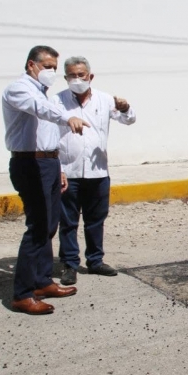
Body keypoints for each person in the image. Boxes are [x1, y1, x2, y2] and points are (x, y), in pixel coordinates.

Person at [3, 46, 89, 315]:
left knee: (50, 225)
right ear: (32, 65)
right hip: (30, 164)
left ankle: (41, 282)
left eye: (54, 67)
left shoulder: (42, 93)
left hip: (48, 163)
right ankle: (22, 294)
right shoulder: (19, 89)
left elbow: (47, 134)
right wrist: (68, 116)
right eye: (48, 66)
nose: (52, 71)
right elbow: (40, 110)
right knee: (38, 227)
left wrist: (58, 166)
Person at [53, 56, 136, 286]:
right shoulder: (57, 101)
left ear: (90, 76)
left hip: (97, 171)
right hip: (68, 172)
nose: (77, 79)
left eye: (81, 75)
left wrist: (126, 108)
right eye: (72, 75)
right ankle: (69, 264)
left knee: (96, 220)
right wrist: (58, 168)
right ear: (65, 78)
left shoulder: (105, 99)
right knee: (68, 221)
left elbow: (129, 120)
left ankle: (95, 261)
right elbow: (48, 134)